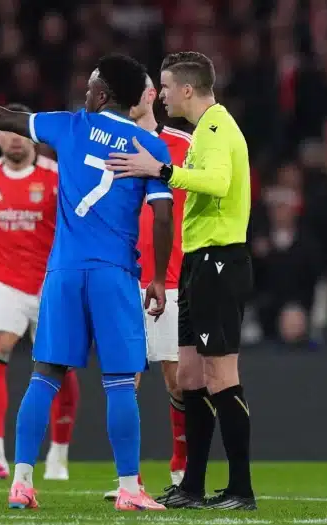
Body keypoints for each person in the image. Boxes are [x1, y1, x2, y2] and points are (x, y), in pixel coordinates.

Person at [0, 53, 175, 512]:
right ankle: (130, 488)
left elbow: (1, 116)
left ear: (102, 94)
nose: (85, 90)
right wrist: (157, 278)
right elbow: (163, 215)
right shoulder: (150, 145)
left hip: (63, 273)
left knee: (44, 376)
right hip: (114, 274)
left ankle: (22, 483)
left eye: (90, 85)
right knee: (118, 382)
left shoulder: (69, 126)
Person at [107, 51, 256, 510]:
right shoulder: (204, 129)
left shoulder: (215, 128)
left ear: (188, 89)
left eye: (168, 87)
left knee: (221, 375)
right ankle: (191, 485)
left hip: (220, 259)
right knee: (190, 376)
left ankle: (241, 489)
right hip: (197, 260)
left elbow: (217, 181)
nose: (163, 95)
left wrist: (163, 170)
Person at [0, 104, 79, 482]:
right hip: (5, 281)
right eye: (7, 131)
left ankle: (58, 454)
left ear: (33, 137)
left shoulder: (57, 176)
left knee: (59, 364)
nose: (14, 138)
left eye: (20, 131)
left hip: (52, 283)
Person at [103, 75, 192, 501]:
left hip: (172, 277)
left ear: (151, 95)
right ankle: (130, 480)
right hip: (123, 276)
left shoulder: (184, 145)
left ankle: (181, 469)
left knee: (178, 381)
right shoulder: (107, 143)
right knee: (126, 380)